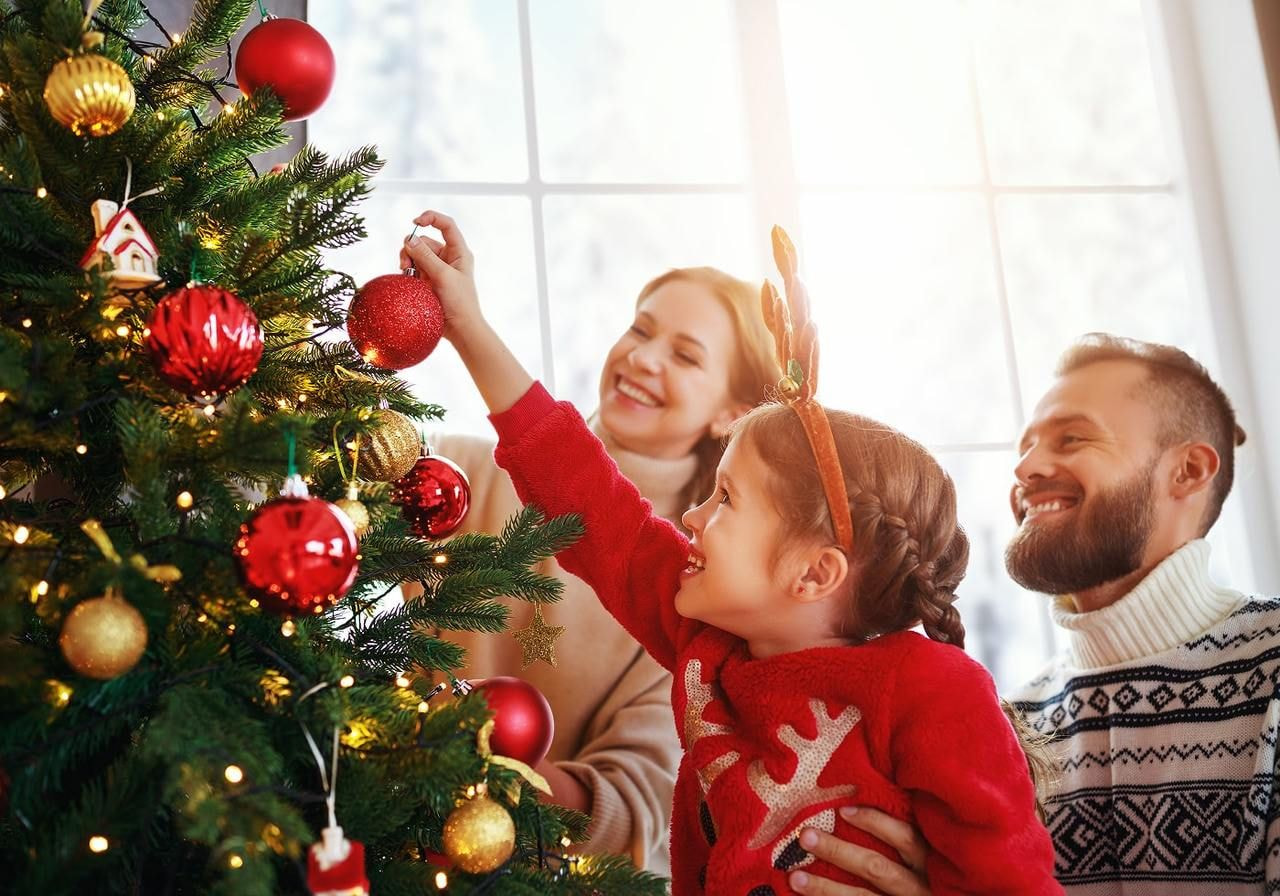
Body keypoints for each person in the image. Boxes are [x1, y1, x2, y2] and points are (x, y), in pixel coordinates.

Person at [403, 214, 1060, 895]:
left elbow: (1012, 881)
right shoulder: (705, 640)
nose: (691, 518)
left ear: (814, 573)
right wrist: (469, 328)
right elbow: (588, 502)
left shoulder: (932, 691)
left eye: (726, 502)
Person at [795, 333, 1279, 896]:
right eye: (1024, 447)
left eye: (1072, 438)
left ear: (1188, 471)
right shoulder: (1011, 729)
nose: (1024, 469)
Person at [399, 213, 781, 874]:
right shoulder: (458, 477)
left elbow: (639, 807)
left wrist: (490, 773)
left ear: (733, 414)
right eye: (640, 328)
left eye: (686, 355)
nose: (643, 357)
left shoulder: (698, 585)